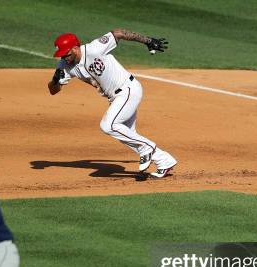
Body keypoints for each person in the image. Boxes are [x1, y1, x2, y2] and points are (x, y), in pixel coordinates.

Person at [48, 29, 177, 178]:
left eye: (67, 54)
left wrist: (148, 41)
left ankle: (147, 148)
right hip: (116, 98)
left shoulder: (94, 48)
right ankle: (164, 161)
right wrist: (55, 81)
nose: (64, 58)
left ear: (75, 48)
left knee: (108, 126)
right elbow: (53, 90)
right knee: (127, 134)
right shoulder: (64, 65)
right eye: (62, 55)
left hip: (128, 90)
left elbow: (118, 33)